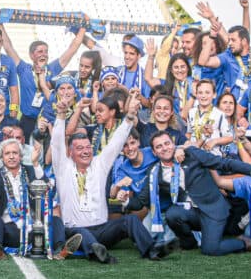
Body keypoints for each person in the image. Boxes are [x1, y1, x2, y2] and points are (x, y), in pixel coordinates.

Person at [51, 90, 175, 263]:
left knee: (130, 220)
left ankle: (152, 251)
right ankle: (97, 253)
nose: (86, 151)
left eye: (87, 147)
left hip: (102, 229)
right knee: (80, 233)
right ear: (70, 153)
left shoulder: (99, 164)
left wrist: (130, 116)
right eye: (80, 149)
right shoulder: (63, 168)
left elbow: (117, 142)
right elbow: (56, 144)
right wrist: (61, 114)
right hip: (76, 231)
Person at [120, 131, 251, 256]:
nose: (164, 148)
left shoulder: (191, 154)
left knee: (211, 250)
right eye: (159, 146)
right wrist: (126, 200)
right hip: (190, 213)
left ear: (173, 144)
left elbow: (223, 163)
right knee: (172, 214)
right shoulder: (155, 172)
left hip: (212, 208)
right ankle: (189, 243)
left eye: (167, 143)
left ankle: (244, 243)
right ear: (154, 152)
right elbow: (141, 201)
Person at [0, 139, 82, 260]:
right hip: (10, 229)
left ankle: (61, 250)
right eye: (7, 153)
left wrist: (35, 163)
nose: (11, 156)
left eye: (14, 153)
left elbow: (46, 186)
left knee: (55, 220)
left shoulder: (30, 171)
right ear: (2, 157)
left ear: (20, 156)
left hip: (34, 228)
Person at [0, 23, 85, 140]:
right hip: (28, 120)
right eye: (40, 52)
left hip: (48, 119)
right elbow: (8, 47)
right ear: (31, 55)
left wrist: (83, 26)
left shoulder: (53, 68)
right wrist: (0, 24)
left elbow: (72, 49)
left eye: (46, 51)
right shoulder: (24, 69)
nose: (44, 54)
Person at [198, 25, 251, 102]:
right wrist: (211, 37)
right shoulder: (227, 56)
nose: (230, 43)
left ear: (244, 41)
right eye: (229, 40)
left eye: (233, 40)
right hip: (236, 107)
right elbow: (203, 62)